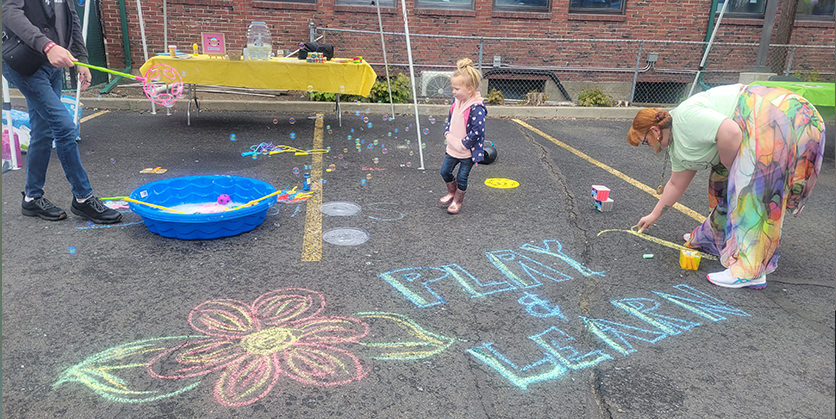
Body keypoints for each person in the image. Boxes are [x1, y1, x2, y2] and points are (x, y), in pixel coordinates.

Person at [628, 83, 825, 290]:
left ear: (654, 131)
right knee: (721, 178)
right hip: (765, 115)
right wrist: (653, 215)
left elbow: (730, 132)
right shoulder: (676, 145)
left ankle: (750, 271)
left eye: (644, 141)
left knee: (750, 191)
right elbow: (676, 184)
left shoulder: (685, 119)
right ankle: (717, 237)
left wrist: (735, 171)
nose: (649, 147)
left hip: (772, 113)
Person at [2, 0, 121, 224]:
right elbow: (9, 13)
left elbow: (72, 20)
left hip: (53, 65)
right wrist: (48, 46)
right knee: (65, 127)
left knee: (43, 131)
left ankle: (32, 198)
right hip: (24, 62)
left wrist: (82, 61)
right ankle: (83, 198)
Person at [439, 58, 487, 215]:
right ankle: (452, 192)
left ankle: (458, 201)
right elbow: (451, 119)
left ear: (470, 90)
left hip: (467, 152)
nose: (453, 92)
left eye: (457, 89)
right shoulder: (456, 101)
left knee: (462, 177)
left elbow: (477, 132)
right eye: (453, 88)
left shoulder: (476, 108)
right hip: (452, 148)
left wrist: (463, 144)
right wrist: (447, 131)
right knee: (445, 171)